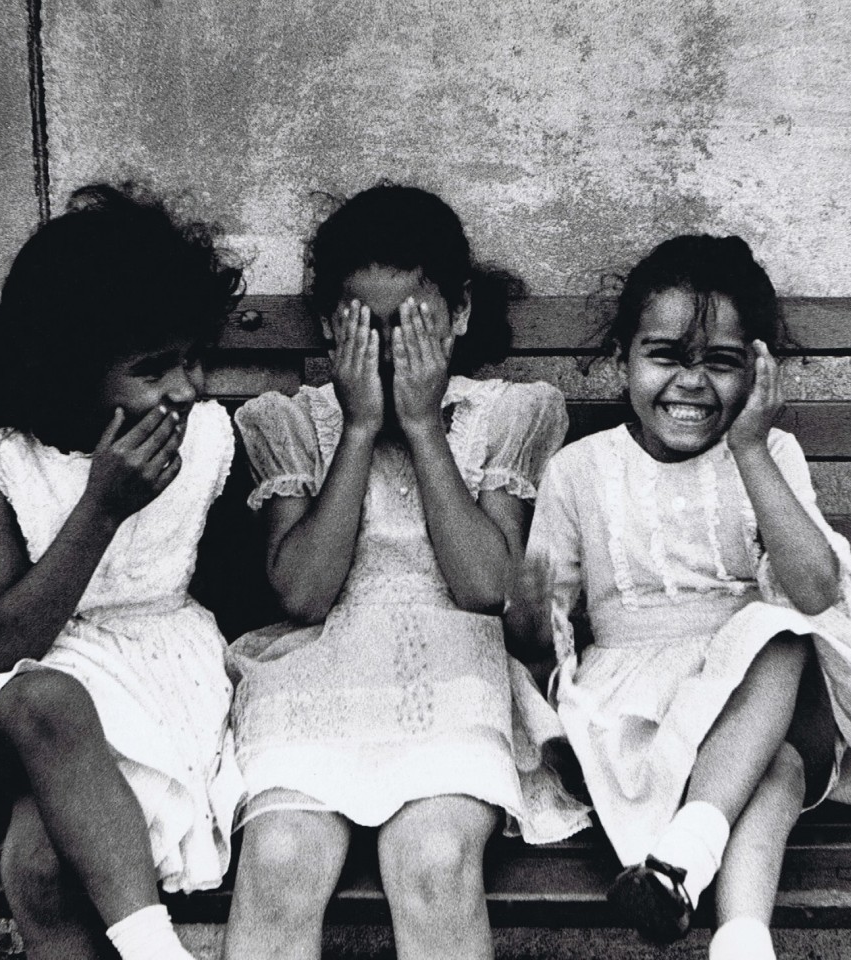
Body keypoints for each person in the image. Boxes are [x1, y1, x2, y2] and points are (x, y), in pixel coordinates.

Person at [506, 235, 851, 960]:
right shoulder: (578, 470)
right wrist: (531, 607)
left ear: (755, 370)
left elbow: (815, 593)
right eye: (663, 357)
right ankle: (737, 931)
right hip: (637, 719)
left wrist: (751, 448)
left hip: (761, 693)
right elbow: (539, 633)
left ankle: (685, 859)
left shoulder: (768, 454)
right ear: (621, 355)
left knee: (778, 629)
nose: (690, 384)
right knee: (772, 769)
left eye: (718, 363)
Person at [0, 183, 246, 960]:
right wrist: (100, 510)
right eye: (154, 368)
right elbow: (5, 646)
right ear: (71, 370)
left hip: (163, 685)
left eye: (195, 359)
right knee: (49, 697)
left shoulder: (207, 440)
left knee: (39, 868)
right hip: (43, 688)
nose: (188, 387)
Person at [221, 184, 589, 960]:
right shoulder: (292, 424)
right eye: (364, 329)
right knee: (279, 862)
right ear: (328, 326)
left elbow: (484, 584)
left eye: (411, 326)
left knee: (432, 861)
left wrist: (422, 427)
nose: (388, 352)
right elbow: (303, 593)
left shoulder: (503, 415)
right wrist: (357, 429)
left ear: (457, 314)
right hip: (317, 680)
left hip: (452, 677)